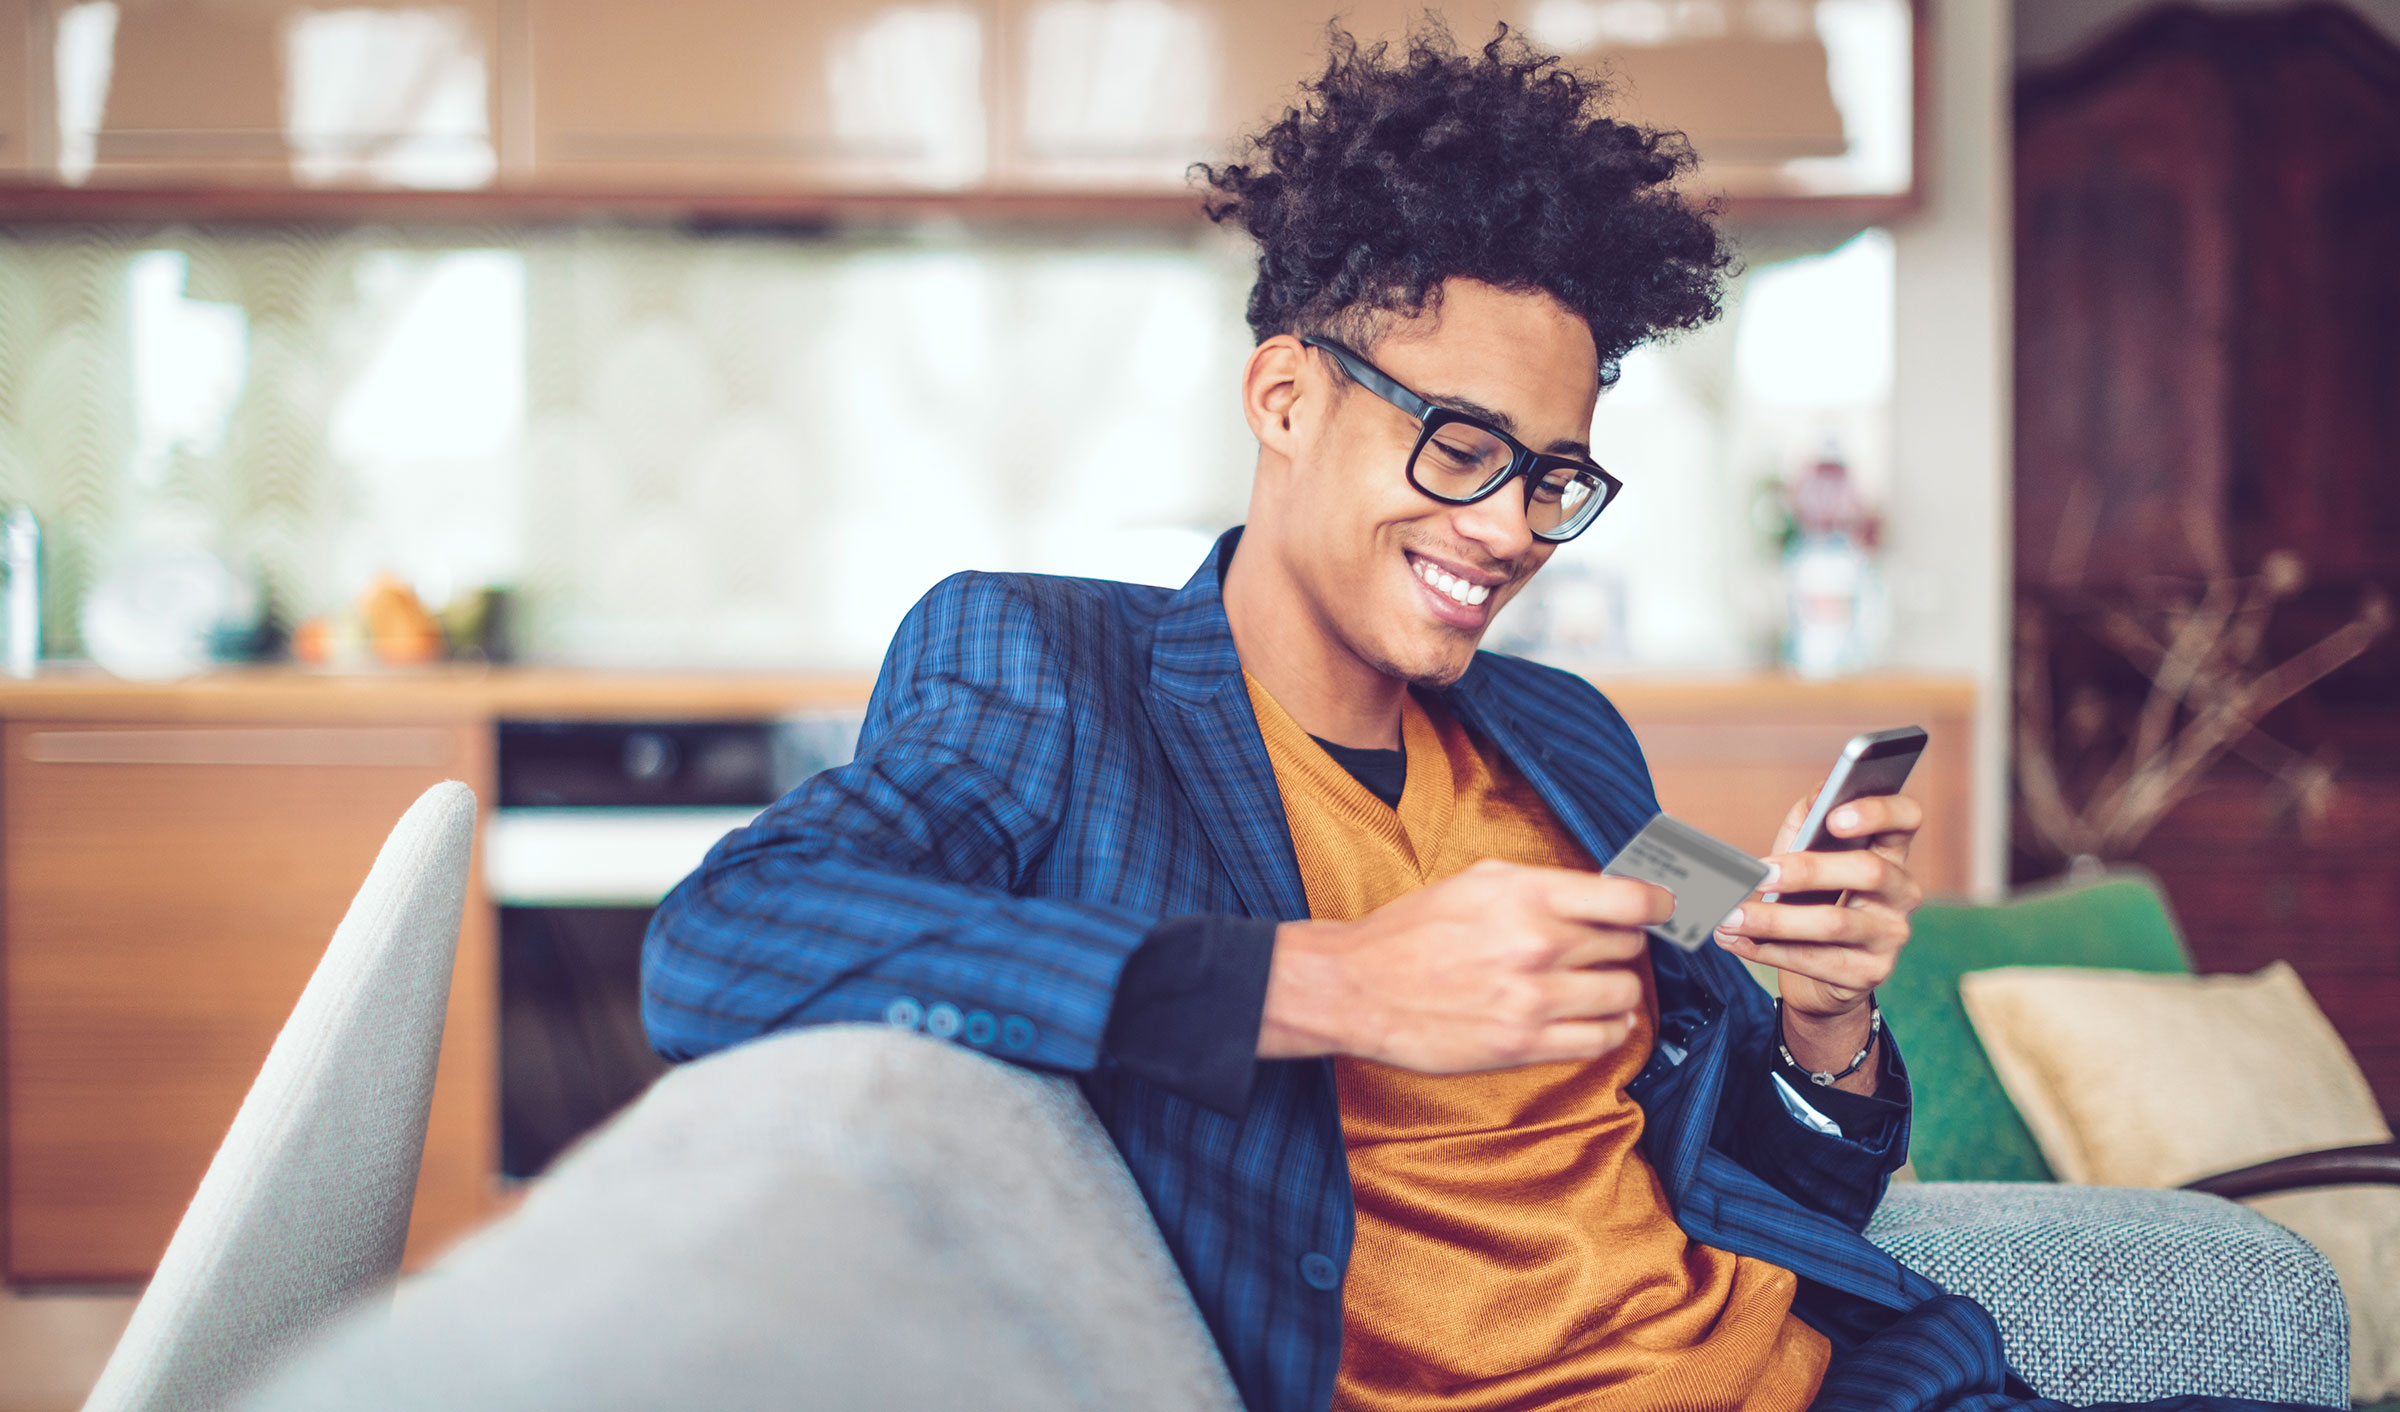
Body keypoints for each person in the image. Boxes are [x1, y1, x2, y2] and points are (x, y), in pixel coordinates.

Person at [643, 25, 2322, 1412]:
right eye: (1460, 446)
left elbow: (1749, 1193)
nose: (1513, 525)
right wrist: (1336, 984)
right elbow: (727, 943)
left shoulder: (1565, 740)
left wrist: (1818, 1028)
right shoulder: (1048, 672)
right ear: (1286, 397)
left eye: (1554, 474)